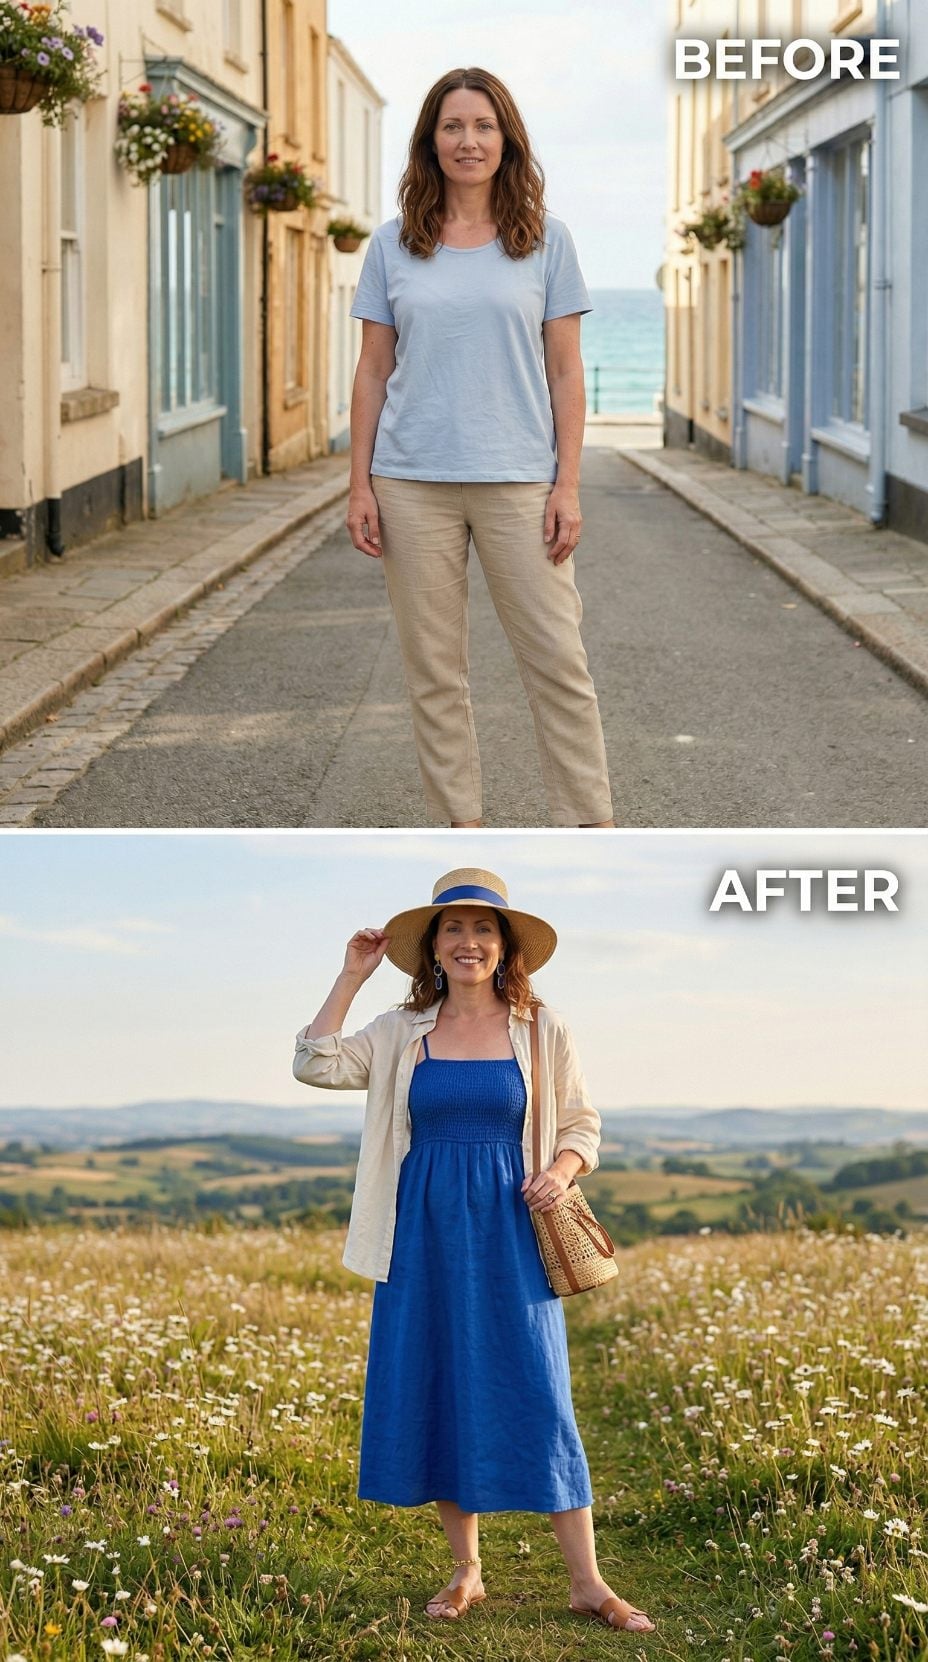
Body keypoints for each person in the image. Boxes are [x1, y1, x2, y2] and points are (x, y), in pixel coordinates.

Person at [292, 866, 655, 1634]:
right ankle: (467, 1572)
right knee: (442, 1385)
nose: (468, 942)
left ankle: (588, 1582)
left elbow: (582, 1125)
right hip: (421, 1233)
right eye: (452, 929)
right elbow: (315, 1061)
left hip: (512, 1230)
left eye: (483, 929)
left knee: (539, 1389)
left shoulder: (542, 1028)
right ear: (432, 946)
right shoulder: (399, 1031)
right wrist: (350, 975)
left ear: (505, 946)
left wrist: (560, 1172)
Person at [345, 67, 615, 831]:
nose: (469, 141)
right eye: (454, 126)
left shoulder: (547, 241)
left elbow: (565, 370)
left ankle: (587, 826)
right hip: (409, 482)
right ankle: (461, 832)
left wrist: (568, 485)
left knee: (559, 664)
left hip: (520, 482)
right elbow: (372, 369)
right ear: (431, 141)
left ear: (507, 140)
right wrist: (358, 485)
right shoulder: (394, 245)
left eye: (484, 126)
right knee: (435, 676)